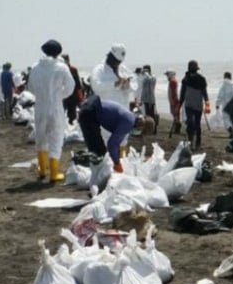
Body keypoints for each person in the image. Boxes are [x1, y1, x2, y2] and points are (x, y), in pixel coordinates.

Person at [28, 40, 75, 181]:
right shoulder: (61, 67)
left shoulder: (35, 67)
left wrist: (42, 95)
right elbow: (70, 87)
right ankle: (54, 174)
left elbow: (30, 88)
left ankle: (42, 170)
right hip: (55, 106)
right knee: (56, 138)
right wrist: (59, 95)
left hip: (40, 106)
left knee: (41, 137)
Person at [78, 94, 155, 173]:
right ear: (141, 128)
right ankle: (79, 162)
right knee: (98, 154)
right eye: (141, 132)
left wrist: (115, 156)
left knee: (99, 151)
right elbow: (112, 144)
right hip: (90, 113)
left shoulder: (130, 116)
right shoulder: (128, 123)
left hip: (91, 106)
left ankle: (87, 165)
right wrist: (117, 163)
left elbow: (115, 143)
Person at [89, 43, 136, 157]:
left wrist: (128, 86)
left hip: (123, 110)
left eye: (119, 61)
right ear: (110, 56)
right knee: (107, 137)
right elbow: (96, 86)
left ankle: (122, 165)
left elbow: (135, 83)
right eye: (116, 61)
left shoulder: (123, 68)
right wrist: (114, 84)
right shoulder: (99, 70)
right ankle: (109, 166)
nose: (118, 63)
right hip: (107, 112)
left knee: (123, 137)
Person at [179, 60, 210, 149]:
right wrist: (179, 104)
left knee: (197, 123)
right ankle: (190, 141)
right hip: (188, 105)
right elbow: (182, 93)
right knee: (190, 122)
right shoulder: (185, 80)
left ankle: (198, 141)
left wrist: (207, 103)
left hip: (198, 105)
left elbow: (204, 93)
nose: (194, 70)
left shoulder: (201, 79)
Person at [216, 71, 233, 138]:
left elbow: (220, 95)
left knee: (226, 118)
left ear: (225, 77)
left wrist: (217, 103)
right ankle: (232, 131)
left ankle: (230, 130)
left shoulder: (223, 85)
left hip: (226, 105)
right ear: (230, 77)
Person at [61, 54, 83, 125]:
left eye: (64, 61)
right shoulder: (59, 70)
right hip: (63, 96)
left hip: (73, 96)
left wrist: (80, 98)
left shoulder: (73, 69)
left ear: (68, 60)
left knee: (72, 116)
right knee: (60, 114)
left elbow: (78, 85)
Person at [140, 64, 159, 134]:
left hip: (148, 99)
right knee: (149, 114)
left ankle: (152, 129)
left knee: (149, 115)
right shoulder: (150, 77)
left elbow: (150, 88)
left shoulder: (150, 78)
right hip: (149, 98)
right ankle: (151, 129)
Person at [165, 70, 181, 134]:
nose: (167, 76)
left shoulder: (173, 82)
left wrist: (173, 101)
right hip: (173, 100)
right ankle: (176, 126)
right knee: (175, 114)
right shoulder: (172, 81)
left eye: (167, 75)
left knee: (175, 114)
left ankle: (177, 127)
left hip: (174, 100)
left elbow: (173, 92)